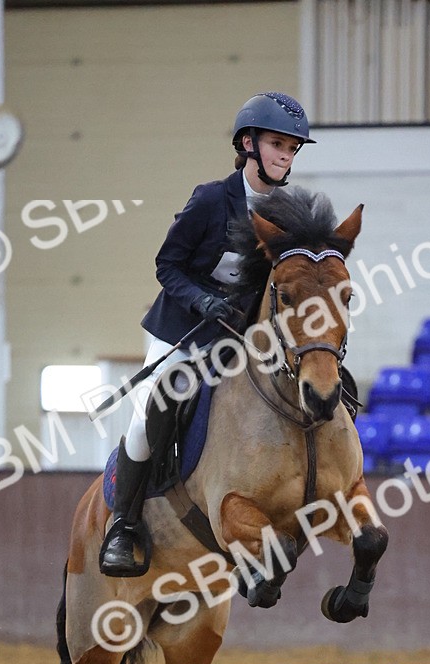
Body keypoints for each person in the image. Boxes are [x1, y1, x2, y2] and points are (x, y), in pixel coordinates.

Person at [99, 91, 315, 577]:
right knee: (151, 413)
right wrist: (203, 300)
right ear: (248, 143)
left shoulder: (289, 212)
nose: (286, 155)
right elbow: (167, 265)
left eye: (292, 148)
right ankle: (123, 526)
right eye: (277, 144)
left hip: (241, 336)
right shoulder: (211, 199)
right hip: (184, 328)